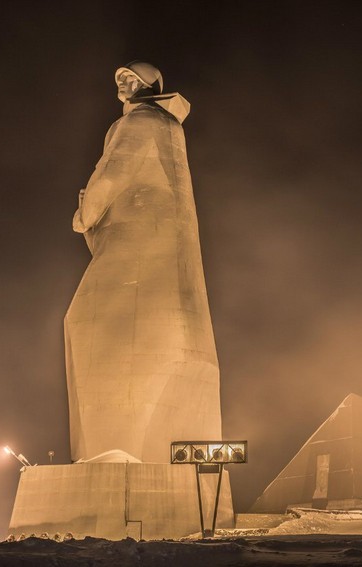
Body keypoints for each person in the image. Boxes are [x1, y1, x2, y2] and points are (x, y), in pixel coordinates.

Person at [65, 61, 222, 463]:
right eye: (119, 79)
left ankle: (113, 451)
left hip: (137, 241)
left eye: (131, 79)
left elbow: (114, 172)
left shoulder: (139, 123)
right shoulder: (171, 126)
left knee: (85, 318)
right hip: (162, 245)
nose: (123, 84)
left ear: (151, 85)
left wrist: (86, 214)